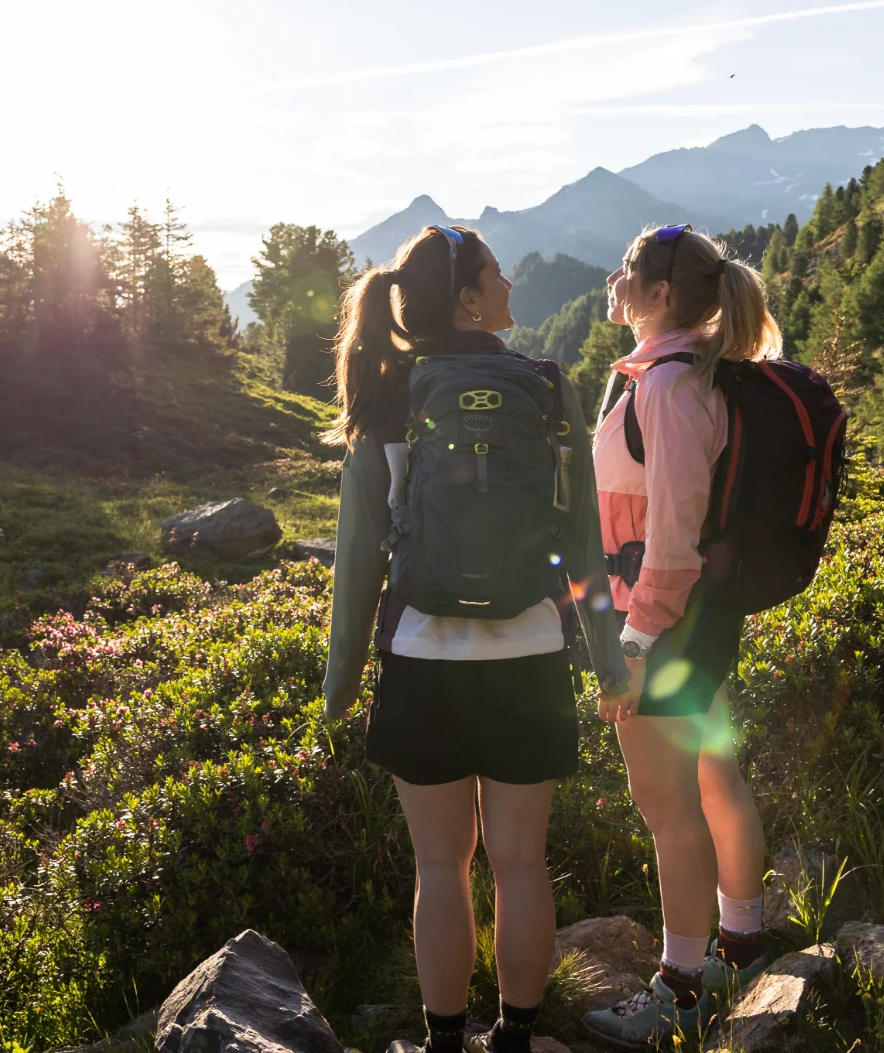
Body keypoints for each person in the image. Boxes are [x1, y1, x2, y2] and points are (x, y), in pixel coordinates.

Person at [322, 225, 621, 1053]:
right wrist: (605, 658)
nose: (513, 288)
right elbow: (584, 543)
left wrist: (340, 678)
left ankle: (444, 1041)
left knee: (439, 866)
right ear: (466, 298)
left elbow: (356, 555)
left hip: (422, 665)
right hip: (528, 659)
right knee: (520, 864)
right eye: (498, 275)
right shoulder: (546, 387)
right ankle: (517, 1038)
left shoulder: (391, 392)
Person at [581, 224, 784, 1048]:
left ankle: (681, 988)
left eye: (628, 271)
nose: (616, 282)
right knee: (716, 778)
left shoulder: (666, 388)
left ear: (659, 294)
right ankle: (741, 941)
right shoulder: (705, 374)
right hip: (704, 615)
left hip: (661, 620)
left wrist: (630, 645)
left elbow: (668, 542)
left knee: (668, 810)